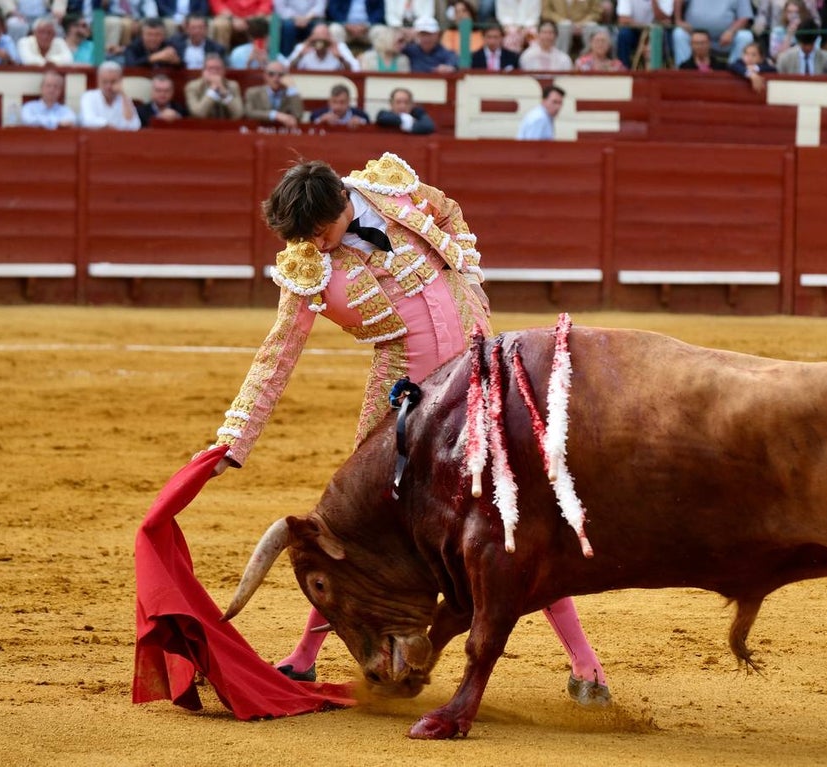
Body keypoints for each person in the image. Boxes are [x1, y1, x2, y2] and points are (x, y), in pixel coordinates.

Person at [205, 156, 610, 706]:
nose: (316, 246)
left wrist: (466, 280)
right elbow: (276, 355)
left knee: (512, 518)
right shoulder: (308, 264)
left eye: (320, 232)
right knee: (359, 534)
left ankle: (585, 663)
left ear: (342, 203)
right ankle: (303, 655)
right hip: (401, 402)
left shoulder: (393, 192)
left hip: (478, 382)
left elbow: (449, 212)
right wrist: (234, 440)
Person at [672, 0, 754, 71]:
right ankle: (684, 72)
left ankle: (735, 72)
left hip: (725, 41)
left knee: (745, 36)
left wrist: (731, 31)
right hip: (695, 37)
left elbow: (744, 17)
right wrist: (678, 20)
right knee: (679, 33)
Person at [80, 60, 141, 130]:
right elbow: (88, 120)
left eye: (113, 82)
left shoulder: (125, 99)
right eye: (105, 82)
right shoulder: (89, 96)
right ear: (98, 80)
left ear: (120, 81)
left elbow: (135, 125)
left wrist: (123, 95)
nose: (108, 86)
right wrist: (108, 126)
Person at [185, 52, 246, 118]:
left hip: (226, 123)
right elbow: (198, 114)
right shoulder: (192, 86)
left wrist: (224, 92)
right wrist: (213, 90)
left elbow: (238, 114)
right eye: (210, 68)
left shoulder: (233, 86)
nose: (214, 72)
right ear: (203, 71)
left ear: (224, 71)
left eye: (218, 68)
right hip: (203, 124)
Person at [614, 0, 673, 69]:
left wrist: (654, 3)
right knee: (624, 35)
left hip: (657, 30)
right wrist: (645, 27)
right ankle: (624, 69)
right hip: (635, 30)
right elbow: (623, 19)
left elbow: (667, 19)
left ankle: (664, 70)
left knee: (666, 35)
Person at [245, 61, 304, 127]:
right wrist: (275, 115)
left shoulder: (290, 94)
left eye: (280, 75)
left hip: (282, 131)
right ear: (265, 76)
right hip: (258, 129)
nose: (276, 78)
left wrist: (292, 87)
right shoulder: (253, 92)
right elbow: (249, 113)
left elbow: (298, 115)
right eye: (271, 74)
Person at [287, 21, 361, 69]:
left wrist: (341, 58)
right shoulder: (302, 47)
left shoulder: (339, 47)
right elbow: (287, 68)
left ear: (329, 36)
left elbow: (355, 68)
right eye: (317, 36)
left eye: (323, 35)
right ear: (312, 37)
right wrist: (300, 56)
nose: (320, 40)